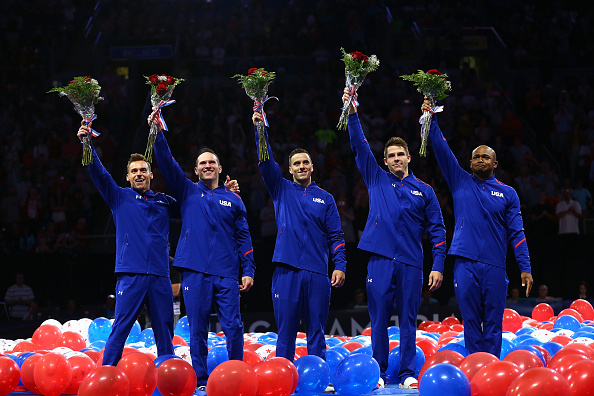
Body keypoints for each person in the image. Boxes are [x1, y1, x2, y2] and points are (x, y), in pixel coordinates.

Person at [344, 90, 446, 390]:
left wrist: (437, 265)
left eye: (401, 154)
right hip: (379, 260)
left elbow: (438, 230)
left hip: (412, 263)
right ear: (385, 161)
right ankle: (378, 371)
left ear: (408, 157)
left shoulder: (425, 190)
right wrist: (351, 112)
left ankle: (404, 374)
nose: (396, 159)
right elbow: (359, 146)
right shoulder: (375, 178)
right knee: (378, 321)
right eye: (391, 156)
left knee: (408, 321)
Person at [422, 98, 533, 358]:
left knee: (493, 323)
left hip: (495, 265)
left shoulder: (508, 194)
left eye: (486, 157)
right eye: (476, 157)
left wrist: (525, 267)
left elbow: (517, 233)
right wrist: (430, 115)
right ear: (470, 162)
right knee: (471, 321)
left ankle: (492, 365)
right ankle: (475, 366)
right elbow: (440, 147)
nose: (480, 160)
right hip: (465, 263)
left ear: (495, 164)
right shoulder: (460, 181)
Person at [153, 120, 255, 392]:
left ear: (220, 168)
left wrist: (249, 270)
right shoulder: (187, 190)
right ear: (196, 170)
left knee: (233, 326)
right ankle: (200, 378)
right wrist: (157, 130)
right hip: (195, 271)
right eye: (203, 163)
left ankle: (236, 373)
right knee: (197, 327)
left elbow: (244, 237)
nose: (208, 165)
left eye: (212, 162)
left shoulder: (234, 199)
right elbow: (165, 160)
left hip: (226, 272)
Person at [78, 123, 177, 366]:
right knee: (120, 329)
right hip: (130, 276)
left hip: (160, 276)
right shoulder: (119, 197)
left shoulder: (165, 202)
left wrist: (220, 192)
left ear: (151, 175)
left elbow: (194, 202)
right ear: (128, 176)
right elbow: (99, 173)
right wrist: (86, 144)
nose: (139, 174)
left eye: (143, 169)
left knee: (164, 332)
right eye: (134, 171)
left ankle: (170, 383)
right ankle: (106, 375)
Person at [251, 112, 346, 365]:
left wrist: (340, 265)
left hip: (317, 272)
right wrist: (261, 130)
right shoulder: (280, 189)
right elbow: (265, 161)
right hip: (286, 270)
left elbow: (336, 235)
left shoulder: (325, 198)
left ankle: (318, 375)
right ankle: (283, 374)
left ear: (312, 166)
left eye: (306, 162)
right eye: (297, 164)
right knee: (286, 331)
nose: (302, 166)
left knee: (316, 330)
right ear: (289, 169)